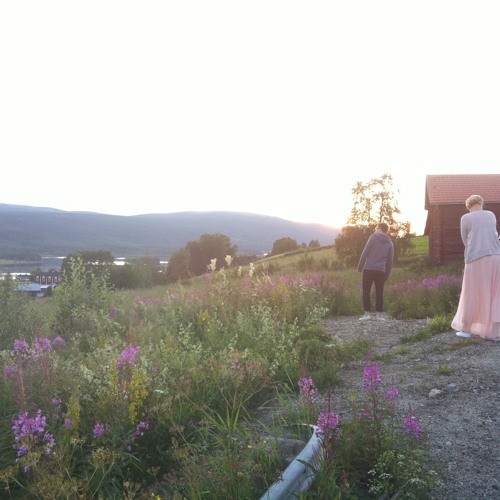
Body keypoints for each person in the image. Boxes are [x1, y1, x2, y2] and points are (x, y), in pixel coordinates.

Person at [452, 194, 500, 340]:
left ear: (468, 206)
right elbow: (494, 233)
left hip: (475, 258)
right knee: (494, 293)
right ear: (481, 203)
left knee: (472, 292)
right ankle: (493, 330)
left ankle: (466, 329)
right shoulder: (491, 215)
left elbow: (465, 240)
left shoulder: (465, 218)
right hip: (495, 256)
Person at [357, 222, 394, 320]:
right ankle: (379, 316)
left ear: (380, 229)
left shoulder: (372, 237)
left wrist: (360, 267)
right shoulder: (390, 242)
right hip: (381, 271)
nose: (375, 230)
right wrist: (386, 275)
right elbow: (390, 261)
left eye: (376, 228)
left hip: (369, 268)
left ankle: (367, 314)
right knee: (379, 293)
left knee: (366, 291)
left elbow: (365, 252)